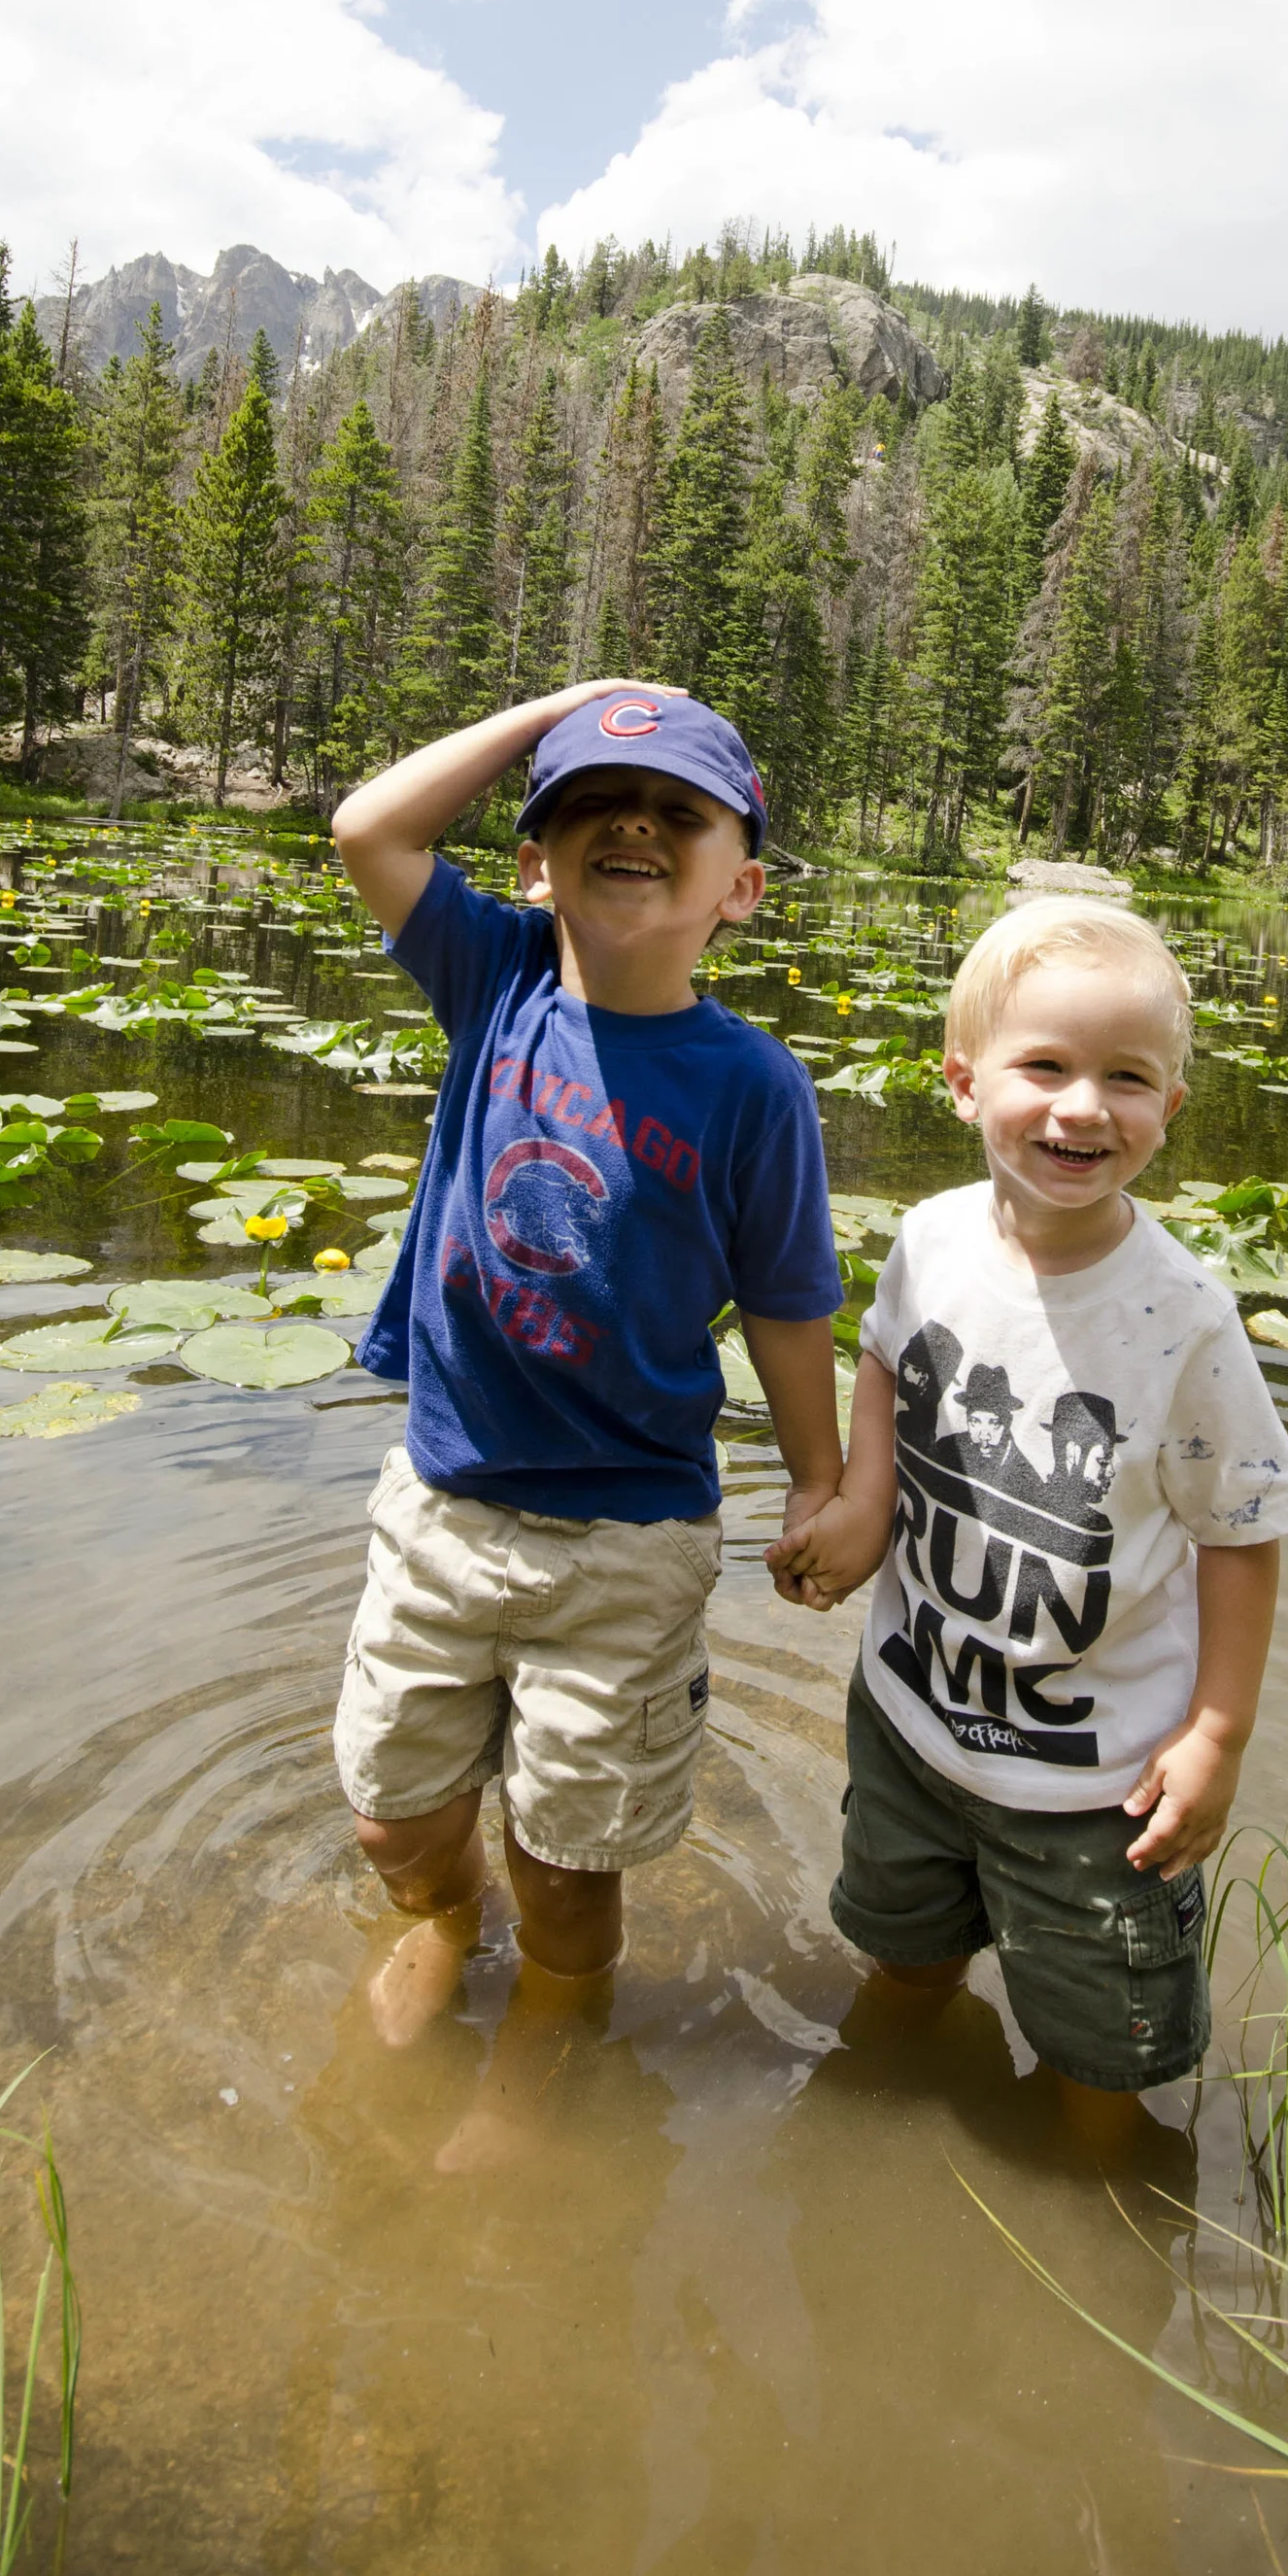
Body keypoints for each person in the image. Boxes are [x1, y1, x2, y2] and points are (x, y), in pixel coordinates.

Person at [328, 679, 844, 2098]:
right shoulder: (493, 978)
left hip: (626, 1538)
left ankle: (551, 2030)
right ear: (533, 863)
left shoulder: (753, 1084)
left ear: (739, 886)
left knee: (569, 1859)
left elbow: (794, 1307)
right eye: (586, 807)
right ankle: (441, 1919)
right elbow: (369, 825)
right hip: (443, 1502)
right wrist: (573, 705)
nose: (633, 822)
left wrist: (820, 1481)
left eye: (678, 810)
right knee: (395, 1815)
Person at [770, 894, 1288, 2140]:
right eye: (1045, 1067)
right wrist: (865, 1500)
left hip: (1093, 1791)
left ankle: (1096, 2225)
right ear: (963, 1083)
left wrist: (1217, 1734)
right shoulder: (928, 1239)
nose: (1082, 1107)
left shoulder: (1182, 1317)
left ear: (1168, 1110)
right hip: (909, 1723)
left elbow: (1240, 1530)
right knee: (901, 1972)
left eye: (1126, 1078)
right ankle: (871, 2149)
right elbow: (881, 1358)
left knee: (1101, 2066)